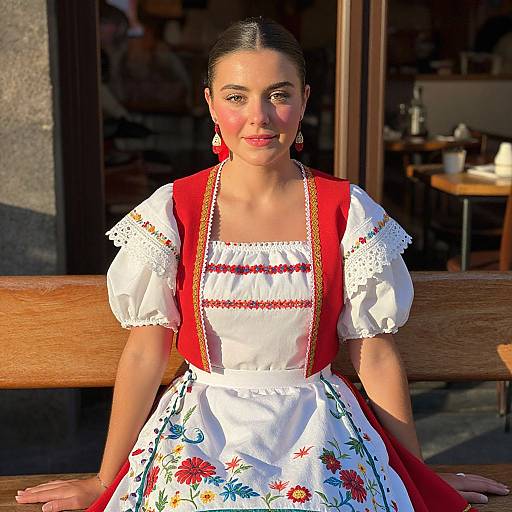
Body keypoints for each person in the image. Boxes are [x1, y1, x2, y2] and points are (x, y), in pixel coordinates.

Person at [16, 17, 509, 512]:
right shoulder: (175, 210)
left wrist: (415, 478)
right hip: (203, 429)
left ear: (305, 99)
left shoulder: (345, 210)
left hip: (315, 427)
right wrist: (106, 479)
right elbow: (146, 353)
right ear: (209, 102)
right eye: (236, 97)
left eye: (278, 94)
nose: (260, 117)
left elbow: (374, 355)